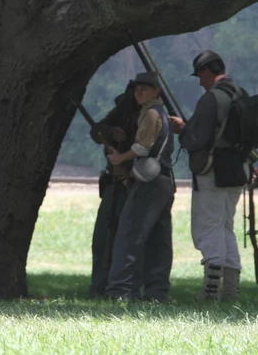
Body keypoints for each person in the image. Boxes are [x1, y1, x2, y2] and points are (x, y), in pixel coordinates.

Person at [169, 51, 246, 301]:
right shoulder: (241, 94)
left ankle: (210, 293)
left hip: (212, 171)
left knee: (209, 229)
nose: (199, 81)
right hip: (236, 170)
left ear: (206, 71)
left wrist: (182, 130)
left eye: (199, 76)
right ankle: (231, 291)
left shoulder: (211, 98)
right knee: (225, 228)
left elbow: (197, 140)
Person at [105, 72, 175, 302]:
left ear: (157, 91)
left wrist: (120, 159)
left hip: (150, 181)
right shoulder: (159, 113)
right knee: (158, 240)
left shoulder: (152, 114)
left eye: (145, 88)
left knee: (129, 234)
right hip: (163, 180)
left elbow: (143, 149)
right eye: (137, 89)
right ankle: (157, 293)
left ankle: (121, 291)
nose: (139, 92)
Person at [88, 82, 140, 298]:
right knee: (103, 238)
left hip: (136, 183)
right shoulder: (121, 112)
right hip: (114, 182)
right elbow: (96, 130)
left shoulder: (151, 117)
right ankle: (100, 286)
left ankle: (125, 288)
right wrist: (111, 132)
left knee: (129, 238)